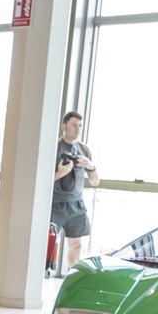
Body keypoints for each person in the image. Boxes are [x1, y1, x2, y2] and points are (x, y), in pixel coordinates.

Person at [50, 110, 100, 271]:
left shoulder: (84, 149)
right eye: (73, 125)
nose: (78, 129)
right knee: (46, 244)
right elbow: (40, 181)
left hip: (76, 204)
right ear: (63, 126)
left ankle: (71, 276)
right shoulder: (54, 147)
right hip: (54, 204)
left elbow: (95, 182)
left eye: (80, 125)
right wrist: (61, 173)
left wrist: (90, 166)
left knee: (76, 245)